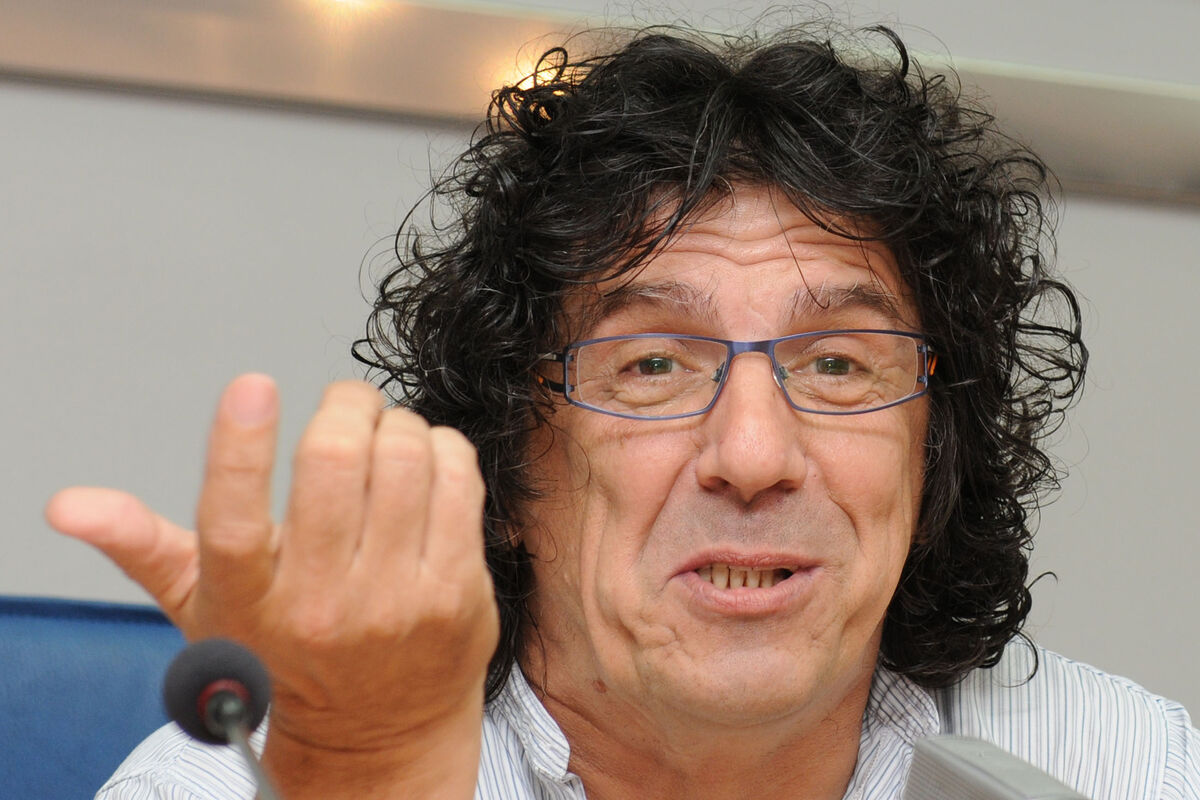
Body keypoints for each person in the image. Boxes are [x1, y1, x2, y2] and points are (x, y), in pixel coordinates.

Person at [46, 20, 1198, 800]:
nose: (755, 452)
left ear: (930, 453)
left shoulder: (1121, 767)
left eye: (839, 364)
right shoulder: (276, 777)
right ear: (507, 465)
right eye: (653, 364)